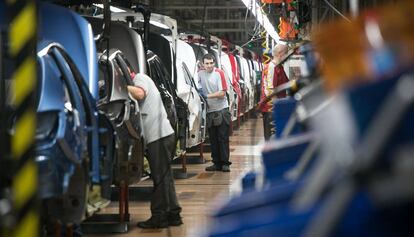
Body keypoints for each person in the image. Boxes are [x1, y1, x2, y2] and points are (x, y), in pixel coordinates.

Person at [127, 73, 182, 229]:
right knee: (165, 178)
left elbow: (139, 93)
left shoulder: (139, 78)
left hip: (159, 137)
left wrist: (120, 87)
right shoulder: (140, 79)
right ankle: (173, 214)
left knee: (160, 178)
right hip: (162, 136)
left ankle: (159, 217)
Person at [198, 53, 232, 172]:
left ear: (214, 63)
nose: (209, 65)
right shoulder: (200, 74)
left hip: (221, 109)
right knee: (213, 139)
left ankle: (225, 163)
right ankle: (216, 163)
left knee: (222, 138)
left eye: (211, 63)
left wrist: (206, 96)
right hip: (210, 111)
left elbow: (222, 93)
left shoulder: (219, 73)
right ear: (203, 64)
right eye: (207, 63)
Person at [258, 44, 289, 140]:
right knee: (271, 138)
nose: (287, 56)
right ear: (280, 54)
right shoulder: (272, 67)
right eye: (286, 54)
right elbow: (270, 90)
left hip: (274, 107)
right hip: (271, 109)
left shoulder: (279, 67)